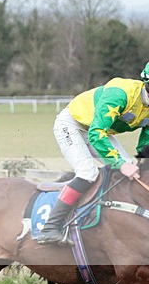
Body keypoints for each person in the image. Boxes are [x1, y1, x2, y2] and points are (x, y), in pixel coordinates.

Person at [35, 61, 149, 244]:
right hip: (73, 125)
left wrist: (140, 165)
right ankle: (50, 228)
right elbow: (96, 133)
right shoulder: (120, 93)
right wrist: (120, 163)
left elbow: (146, 142)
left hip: (98, 131)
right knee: (88, 172)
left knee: (129, 172)